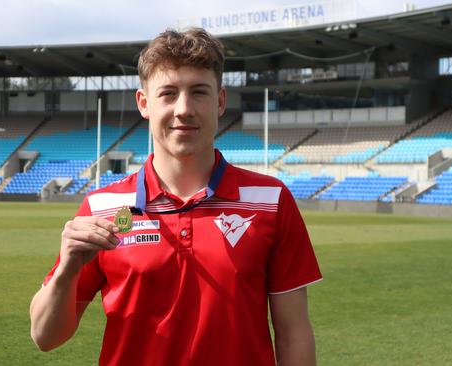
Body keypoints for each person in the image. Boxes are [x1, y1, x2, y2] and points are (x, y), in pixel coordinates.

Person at [29, 28, 322, 365]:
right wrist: (67, 270)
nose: (184, 109)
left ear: (220, 101)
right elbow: (45, 337)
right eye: (168, 93)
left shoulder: (270, 201)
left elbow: (294, 333)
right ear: (144, 103)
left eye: (199, 92)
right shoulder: (102, 207)